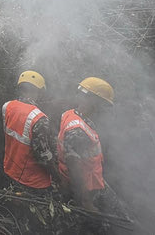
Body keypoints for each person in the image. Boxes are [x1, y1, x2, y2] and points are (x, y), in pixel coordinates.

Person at [57, 77, 116, 212]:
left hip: (86, 183)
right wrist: (86, 201)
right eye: (103, 104)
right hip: (85, 190)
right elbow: (74, 165)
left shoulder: (71, 114)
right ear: (93, 101)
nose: (103, 109)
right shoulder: (78, 130)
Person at [2, 70, 59, 192]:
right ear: (38, 91)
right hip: (34, 182)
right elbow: (43, 156)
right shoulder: (39, 118)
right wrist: (58, 176)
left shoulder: (7, 106)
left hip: (10, 171)